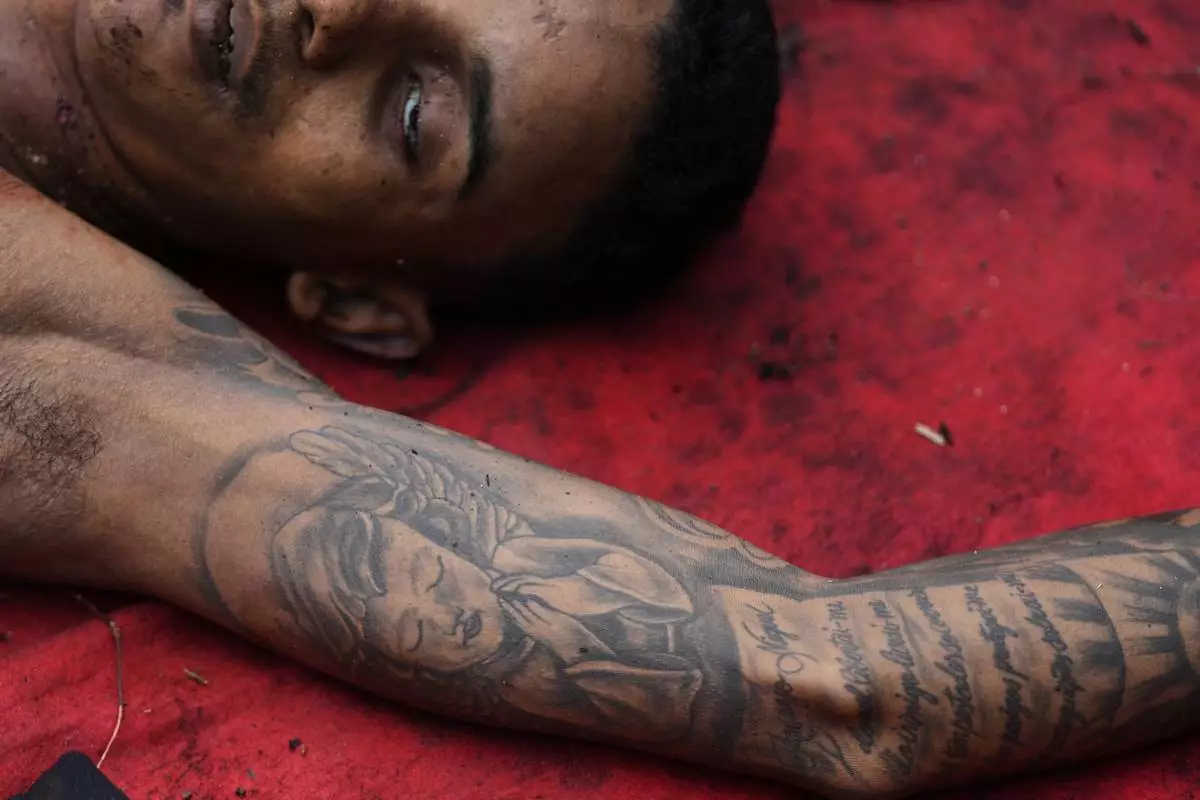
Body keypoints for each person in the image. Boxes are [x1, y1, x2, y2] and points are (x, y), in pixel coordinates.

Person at [2, 0, 1199, 797]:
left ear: (359, 296)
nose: (335, 11)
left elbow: (844, 672)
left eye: (414, 110)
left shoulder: (77, 367)